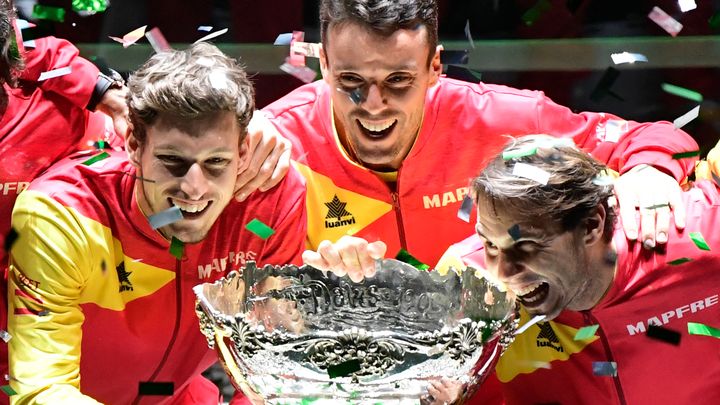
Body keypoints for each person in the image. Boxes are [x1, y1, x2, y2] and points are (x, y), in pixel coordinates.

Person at [266, 0, 699, 286]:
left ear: (435, 67)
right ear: (323, 65)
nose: (374, 105)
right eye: (351, 81)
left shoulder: (503, 120)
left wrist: (651, 171)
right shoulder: (274, 140)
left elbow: (656, 137)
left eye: (399, 80)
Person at [6, 42, 307, 403]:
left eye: (216, 162)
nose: (194, 189)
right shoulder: (59, 215)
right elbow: (43, 388)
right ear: (133, 143)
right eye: (172, 161)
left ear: (243, 150)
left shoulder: (272, 202)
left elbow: (270, 370)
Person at [439, 134, 720, 404]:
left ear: (591, 225)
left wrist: (651, 164)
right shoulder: (467, 281)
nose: (504, 272)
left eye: (527, 245)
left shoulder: (703, 236)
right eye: (489, 243)